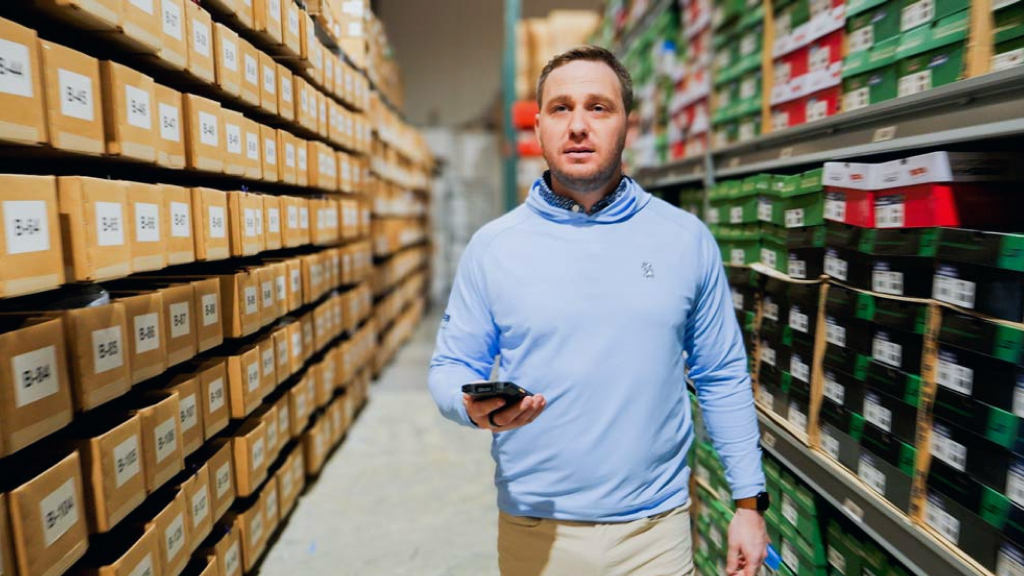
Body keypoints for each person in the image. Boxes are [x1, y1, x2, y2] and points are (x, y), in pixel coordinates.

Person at [428, 45, 769, 576]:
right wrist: (468, 407)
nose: (579, 125)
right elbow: (450, 368)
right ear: (538, 126)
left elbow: (721, 376)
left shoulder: (684, 240)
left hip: (656, 532)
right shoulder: (494, 247)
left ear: (627, 124)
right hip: (535, 531)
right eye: (561, 108)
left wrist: (748, 504)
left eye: (599, 107)